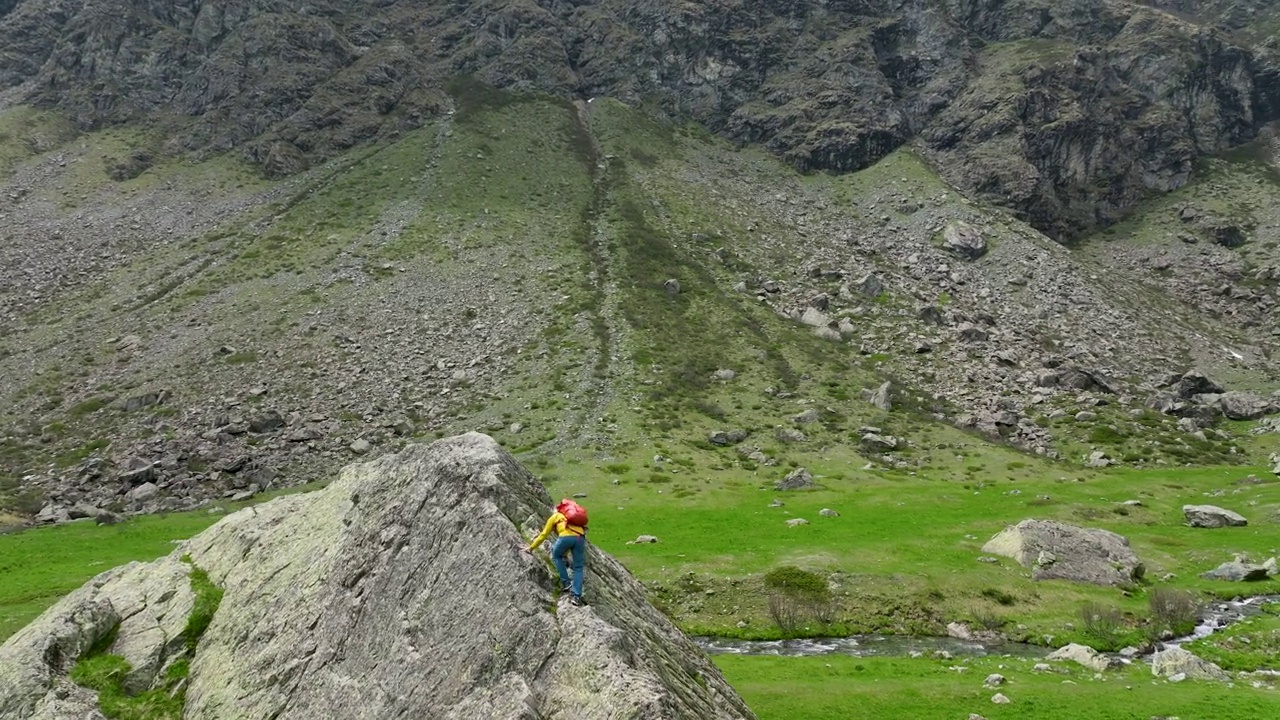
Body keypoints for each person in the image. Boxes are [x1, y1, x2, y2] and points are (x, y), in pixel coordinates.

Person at [524, 499, 587, 606]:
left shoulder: (555, 516)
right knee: (578, 567)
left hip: (565, 538)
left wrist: (531, 548)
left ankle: (566, 583)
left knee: (556, 556)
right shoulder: (572, 519)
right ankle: (576, 596)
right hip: (580, 538)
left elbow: (543, 534)